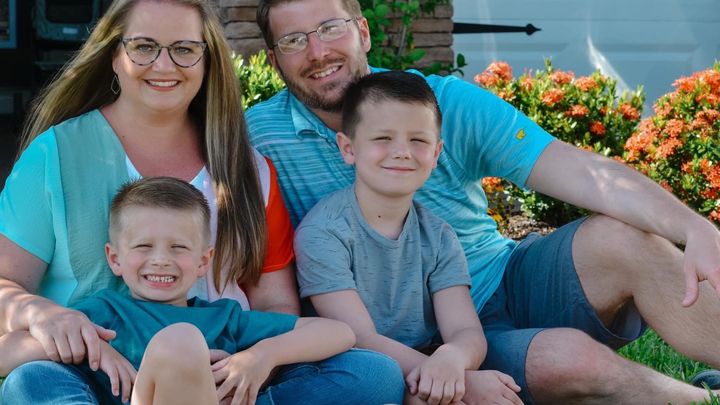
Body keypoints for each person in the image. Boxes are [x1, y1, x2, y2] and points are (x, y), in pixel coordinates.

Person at [246, 0, 720, 403]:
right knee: (567, 361)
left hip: (494, 283)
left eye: (331, 28)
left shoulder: (441, 105)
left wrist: (694, 227)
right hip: (391, 337)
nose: (318, 52)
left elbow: (582, 171)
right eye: (294, 40)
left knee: (622, 239)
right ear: (273, 59)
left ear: (363, 32)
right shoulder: (257, 139)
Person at [0, 0, 403, 403]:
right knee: (31, 381)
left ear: (208, 60)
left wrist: (253, 365)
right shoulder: (55, 155)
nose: (164, 65)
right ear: (114, 56)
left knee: (370, 371)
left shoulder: (246, 166)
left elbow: (274, 302)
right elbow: (6, 285)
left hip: (224, 376)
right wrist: (44, 315)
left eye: (184, 49)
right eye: (144, 46)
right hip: (103, 377)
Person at [1, 177, 361, 405]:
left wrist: (260, 357)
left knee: (371, 371)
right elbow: (5, 355)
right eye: (144, 246)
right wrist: (90, 348)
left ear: (204, 261)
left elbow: (339, 332)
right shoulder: (104, 315)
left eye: (178, 248)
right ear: (114, 258)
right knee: (30, 381)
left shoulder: (222, 317)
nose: (160, 260)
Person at [294, 71, 523, 405]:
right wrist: (465, 382)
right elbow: (358, 338)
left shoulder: (439, 236)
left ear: (436, 153)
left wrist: (454, 359)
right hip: (347, 374)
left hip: (419, 367)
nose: (402, 152)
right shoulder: (324, 233)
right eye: (382, 138)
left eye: (418, 140)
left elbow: (465, 330)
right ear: (348, 148)